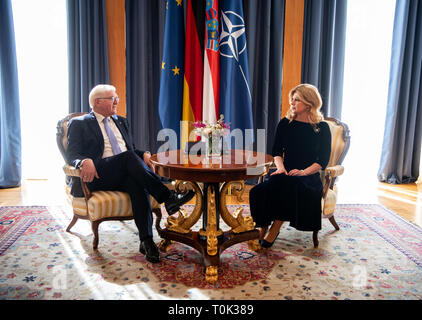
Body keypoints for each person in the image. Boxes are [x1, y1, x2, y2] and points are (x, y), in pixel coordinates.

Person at [66, 84, 194, 263]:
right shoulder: (80, 123)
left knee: (137, 183)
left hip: (123, 170)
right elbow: (72, 154)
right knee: (129, 158)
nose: (117, 101)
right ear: (98, 102)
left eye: (116, 97)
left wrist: (144, 154)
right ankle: (168, 197)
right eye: (112, 98)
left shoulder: (121, 121)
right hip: (96, 175)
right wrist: (83, 161)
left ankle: (147, 241)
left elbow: (131, 150)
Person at [249, 84, 331, 248]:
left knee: (290, 187)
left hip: (308, 177)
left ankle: (275, 228)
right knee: (258, 191)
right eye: (291, 99)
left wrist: (303, 172)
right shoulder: (285, 123)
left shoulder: (322, 128)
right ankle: (263, 225)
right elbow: (277, 151)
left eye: (296, 100)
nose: (292, 103)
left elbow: (322, 160)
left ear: (309, 103)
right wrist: (280, 168)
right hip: (285, 171)